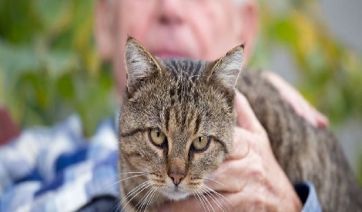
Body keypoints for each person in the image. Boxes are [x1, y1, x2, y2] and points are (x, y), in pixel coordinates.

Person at [0, 0, 327, 211]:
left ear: (246, 31)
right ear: (104, 22)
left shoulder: (288, 154)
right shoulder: (32, 156)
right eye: (158, 137)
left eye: (199, 142)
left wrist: (292, 205)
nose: (170, 8)